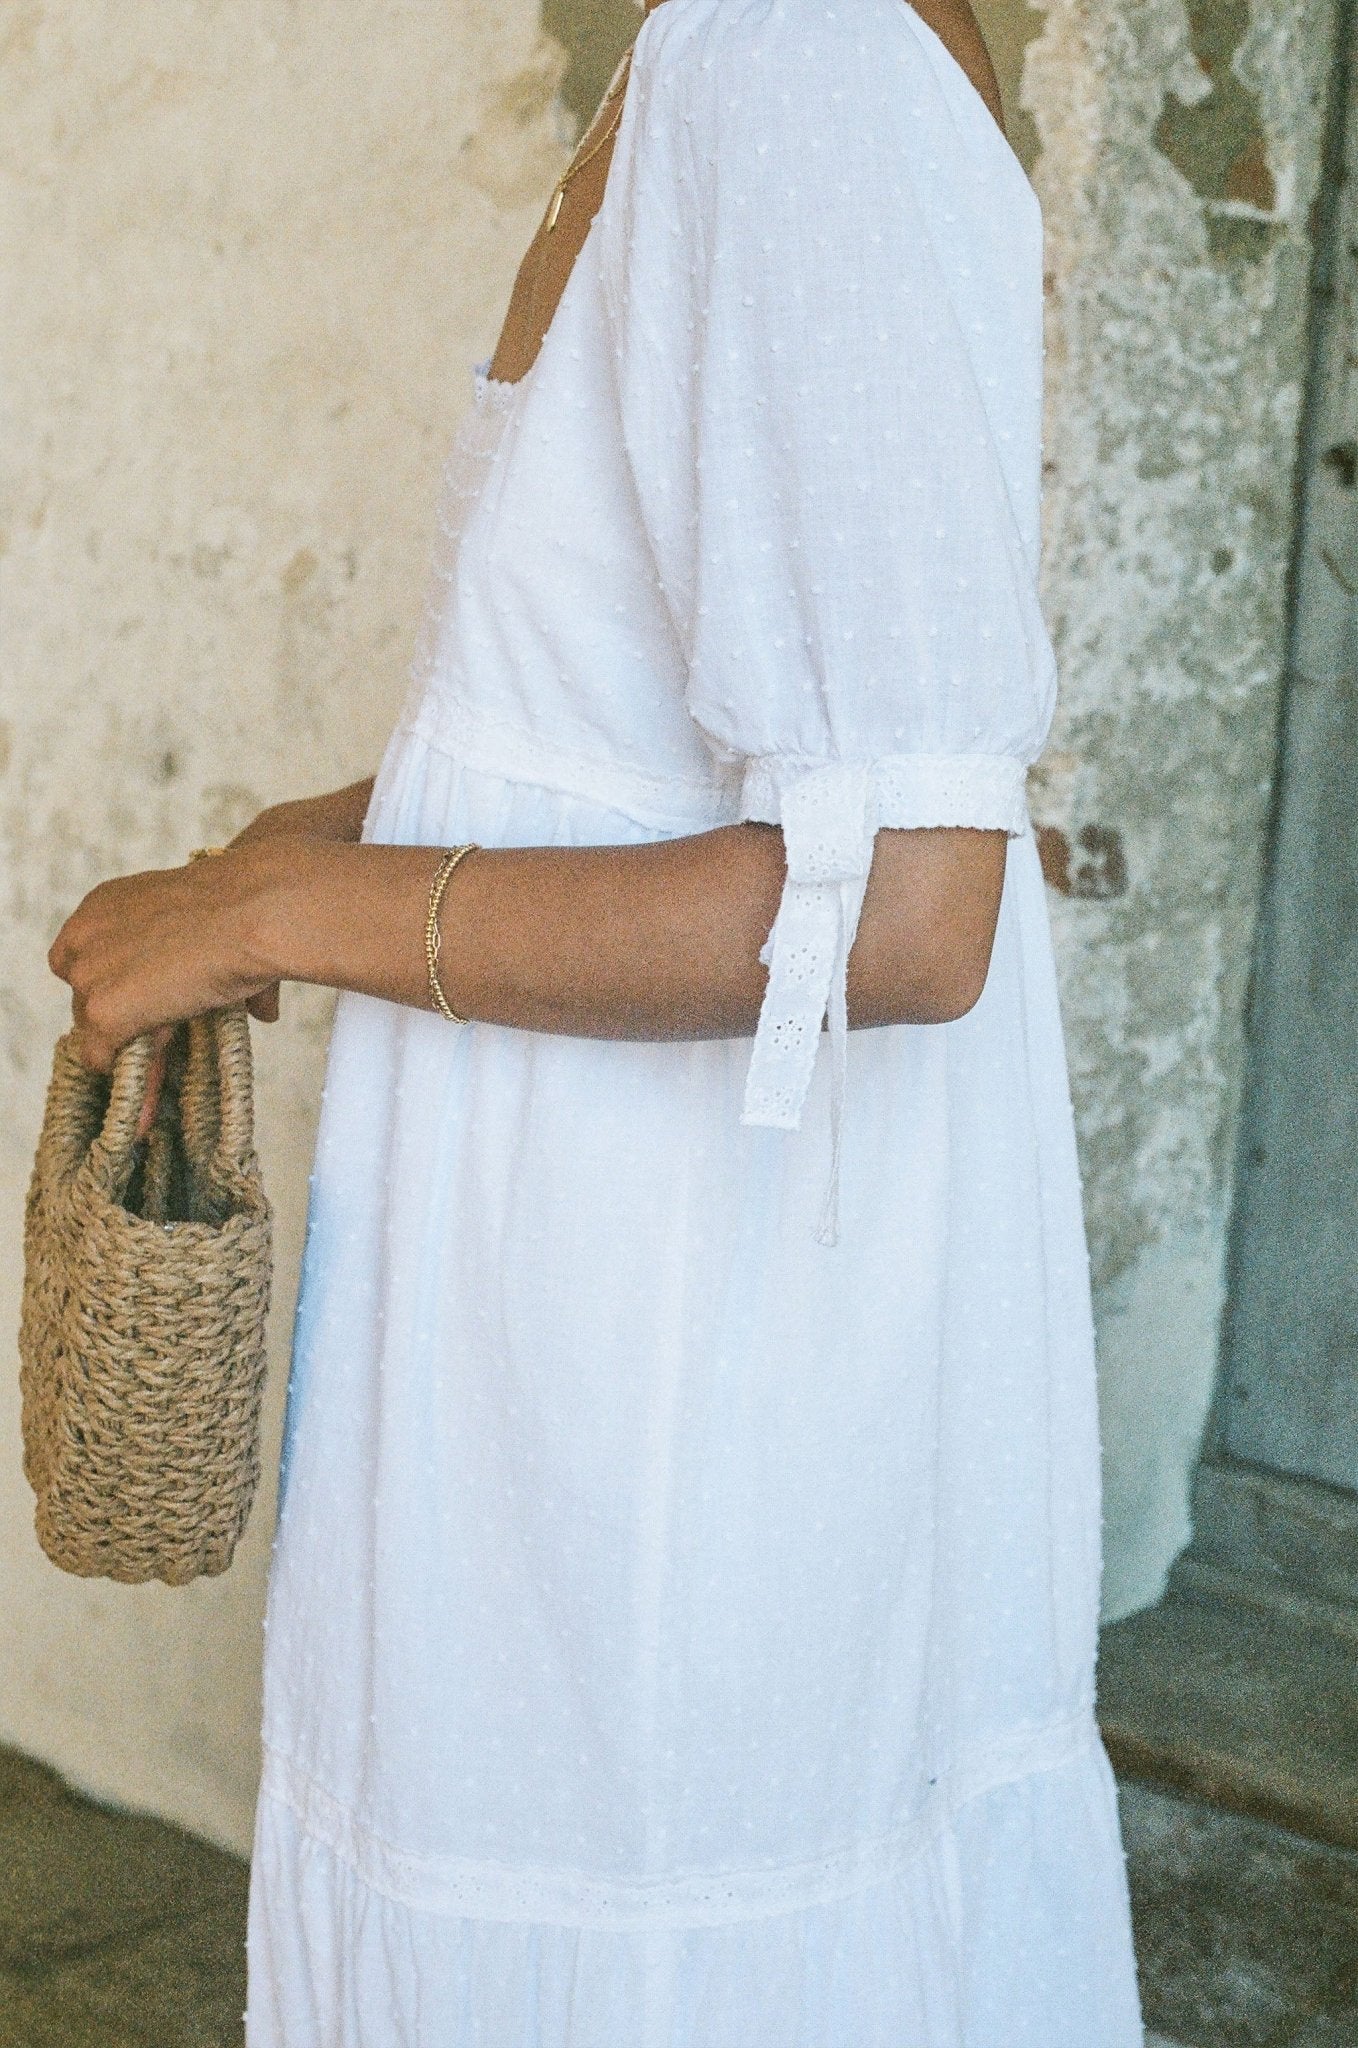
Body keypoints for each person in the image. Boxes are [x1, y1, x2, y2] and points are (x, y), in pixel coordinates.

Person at [49, 0, 1145, 2040]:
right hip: (595, 1299)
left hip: (671, 1349)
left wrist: (298, 902)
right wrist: (265, 868)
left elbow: (909, 905)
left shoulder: (790, 55)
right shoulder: (725, 47)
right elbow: (626, 742)